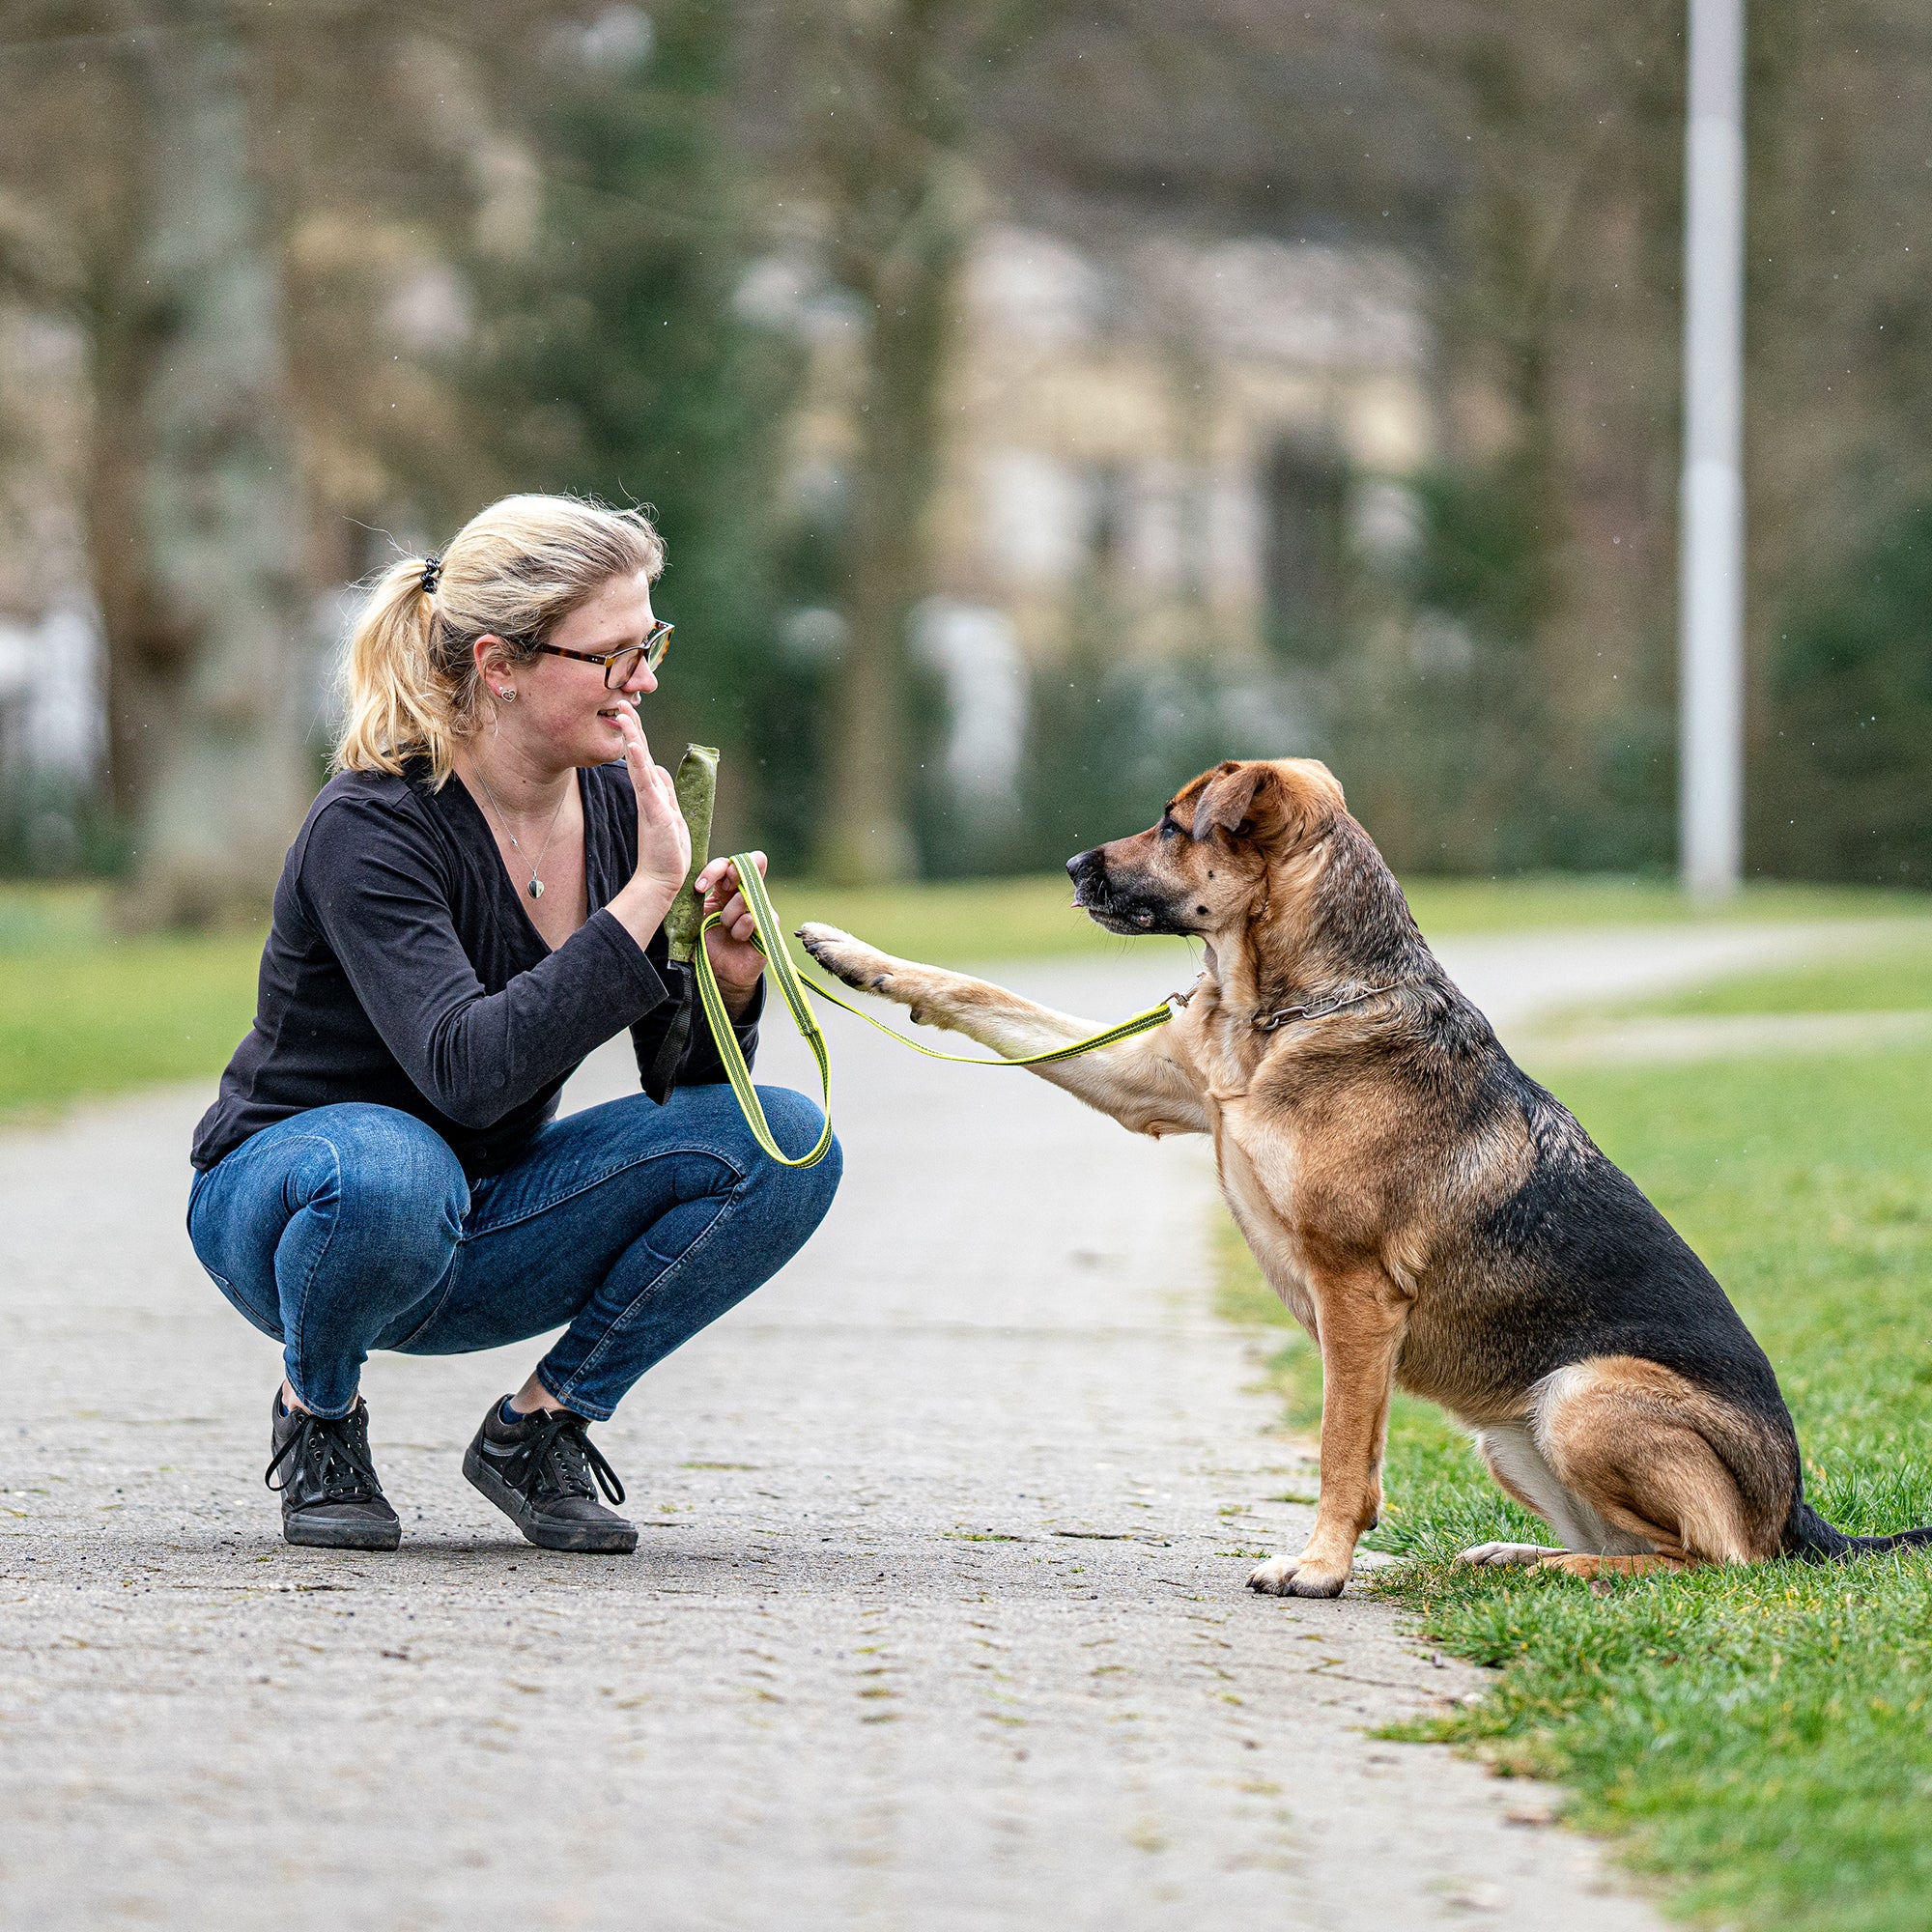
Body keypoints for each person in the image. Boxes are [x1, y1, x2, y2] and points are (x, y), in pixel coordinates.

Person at [186, 494, 841, 1554]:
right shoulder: (372, 825)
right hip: (297, 1207)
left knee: (784, 1140)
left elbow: (678, 1085)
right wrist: (643, 903)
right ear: (499, 664)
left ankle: (540, 1428)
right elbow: (467, 1071)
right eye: (613, 654)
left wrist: (724, 983)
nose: (646, 679)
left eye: (650, 643)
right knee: (394, 1166)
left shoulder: (622, 811)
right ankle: (319, 1412)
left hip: (481, 1216)